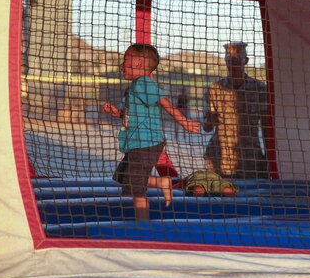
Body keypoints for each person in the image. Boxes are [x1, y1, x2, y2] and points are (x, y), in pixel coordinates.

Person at [102, 43, 200, 221]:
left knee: (137, 191)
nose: (122, 65)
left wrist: (183, 120)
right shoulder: (135, 87)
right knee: (124, 177)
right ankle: (162, 182)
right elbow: (131, 115)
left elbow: (164, 101)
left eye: (126, 60)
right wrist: (116, 113)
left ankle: (143, 224)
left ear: (139, 63)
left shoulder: (143, 83)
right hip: (138, 143)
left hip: (145, 143)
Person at [203, 42, 270, 179]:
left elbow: (266, 125)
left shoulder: (260, 88)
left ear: (245, 61)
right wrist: (210, 120)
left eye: (237, 60)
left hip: (250, 158)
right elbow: (207, 128)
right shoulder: (215, 89)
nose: (233, 65)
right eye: (229, 61)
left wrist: (269, 156)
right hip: (220, 157)